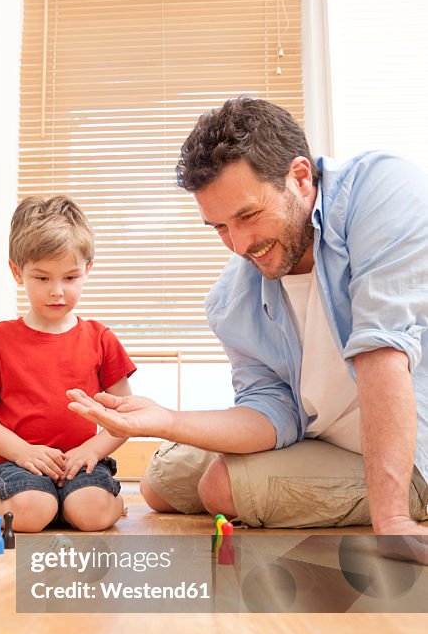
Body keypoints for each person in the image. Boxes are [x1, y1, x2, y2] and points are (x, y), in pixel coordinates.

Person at [67, 97, 428, 555]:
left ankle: (407, 498)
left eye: (248, 216)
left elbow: (383, 350)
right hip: (317, 435)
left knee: (219, 488)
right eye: (218, 226)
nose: (238, 244)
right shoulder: (232, 297)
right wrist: (167, 421)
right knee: (160, 483)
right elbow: (272, 410)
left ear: (300, 178)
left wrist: (391, 519)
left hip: (410, 449)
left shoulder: (382, 191)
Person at [0, 195, 136, 533]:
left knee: (92, 515)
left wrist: (91, 449)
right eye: (42, 278)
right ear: (17, 272)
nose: (57, 291)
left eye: (70, 278)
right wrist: (23, 452)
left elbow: (124, 414)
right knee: (30, 513)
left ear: (88, 270)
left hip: (80, 462)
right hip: (17, 462)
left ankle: (98, 502)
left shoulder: (101, 338)